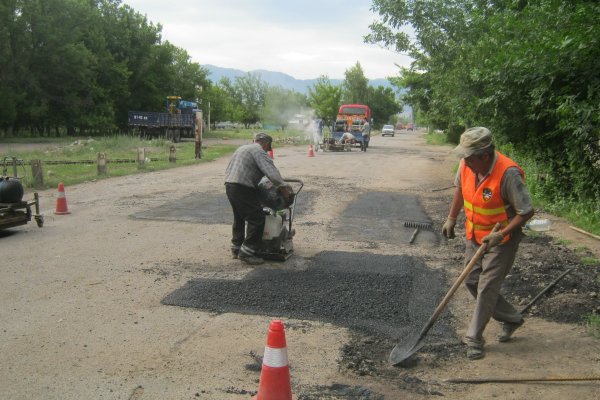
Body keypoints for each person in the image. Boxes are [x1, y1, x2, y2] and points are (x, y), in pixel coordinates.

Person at [442, 127, 534, 360]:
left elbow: (526, 211)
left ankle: (474, 338)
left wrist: (501, 234)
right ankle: (511, 318)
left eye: (470, 158)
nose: (466, 162)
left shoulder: (508, 174)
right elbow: (461, 190)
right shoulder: (467, 164)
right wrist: (452, 217)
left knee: (486, 286)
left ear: (484, 155)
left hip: (502, 241)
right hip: (474, 235)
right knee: (472, 281)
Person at [224, 133, 293, 265]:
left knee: (239, 217)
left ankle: (237, 247)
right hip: (242, 187)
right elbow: (271, 172)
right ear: (266, 143)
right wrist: (283, 188)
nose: (268, 151)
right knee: (257, 218)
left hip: (230, 185)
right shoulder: (259, 151)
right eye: (268, 148)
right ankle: (247, 252)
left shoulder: (244, 148)